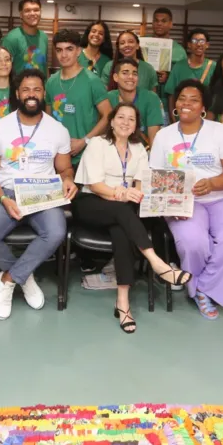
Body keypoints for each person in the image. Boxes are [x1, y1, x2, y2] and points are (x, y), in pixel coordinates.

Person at [73, 103, 192, 333]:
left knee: (122, 228)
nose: (125, 122)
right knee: (121, 212)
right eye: (121, 117)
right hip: (92, 203)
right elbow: (95, 185)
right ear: (112, 120)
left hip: (123, 207)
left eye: (131, 119)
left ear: (136, 125)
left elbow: (140, 184)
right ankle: (157, 263)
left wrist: (137, 194)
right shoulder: (97, 144)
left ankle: (123, 302)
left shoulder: (138, 148)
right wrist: (120, 193)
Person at [0, 69, 77, 320]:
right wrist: (4, 199)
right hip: (7, 192)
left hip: (43, 194)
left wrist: (68, 180)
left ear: (44, 94)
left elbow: (65, 168)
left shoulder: (57, 130)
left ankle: (9, 279)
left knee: (55, 231)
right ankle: (25, 276)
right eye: (26, 89)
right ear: (17, 94)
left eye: (37, 89)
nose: (31, 94)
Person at [149, 80, 223, 319]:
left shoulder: (220, 131)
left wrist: (213, 183)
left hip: (221, 197)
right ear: (175, 104)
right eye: (182, 98)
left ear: (203, 106)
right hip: (181, 200)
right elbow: (155, 177)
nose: (186, 104)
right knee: (193, 242)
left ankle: (202, 288)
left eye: (194, 100)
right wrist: (169, 204)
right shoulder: (164, 136)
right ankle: (202, 290)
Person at [46, 29, 111, 166]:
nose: (64, 55)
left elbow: (108, 115)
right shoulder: (51, 82)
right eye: (59, 50)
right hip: (57, 157)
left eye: (69, 49)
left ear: (78, 51)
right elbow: (48, 119)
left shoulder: (92, 81)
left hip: (85, 156)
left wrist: (85, 141)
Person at [106, 57, 165, 146]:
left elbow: (154, 140)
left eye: (134, 74)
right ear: (116, 77)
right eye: (125, 73)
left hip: (143, 151)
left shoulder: (151, 98)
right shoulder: (108, 98)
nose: (131, 77)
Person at [163, 28, 216, 115]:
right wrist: (173, 119)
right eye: (194, 41)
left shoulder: (214, 67)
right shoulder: (179, 66)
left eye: (202, 41)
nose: (198, 44)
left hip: (205, 118)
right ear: (189, 45)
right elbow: (171, 95)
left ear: (207, 45)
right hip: (182, 115)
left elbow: (217, 96)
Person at [1, 0, 48, 75]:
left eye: (36, 10)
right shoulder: (11, 38)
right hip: (18, 87)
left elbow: (44, 66)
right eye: (27, 10)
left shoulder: (44, 37)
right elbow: (2, 70)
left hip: (40, 86)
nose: (32, 13)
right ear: (21, 15)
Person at [151, 7, 187, 97]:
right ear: (152, 23)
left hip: (168, 101)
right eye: (156, 20)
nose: (159, 24)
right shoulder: (141, 46)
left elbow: (183, 78)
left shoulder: (179, 51)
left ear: (171, 24)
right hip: (144, 99)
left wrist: (169, 77)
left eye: (163, 21)